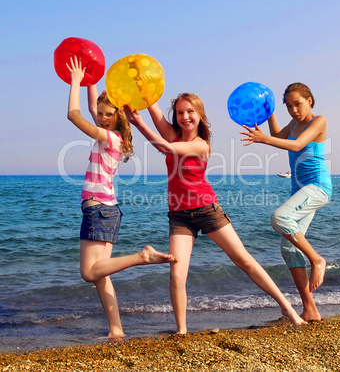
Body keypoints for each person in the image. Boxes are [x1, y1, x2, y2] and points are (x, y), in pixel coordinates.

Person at [124, 93, 306, 334]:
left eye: (190, 111)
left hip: (206, 209)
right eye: (180, 113)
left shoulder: (200, 144)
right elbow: (153, 107)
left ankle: (288, 308)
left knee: (244, 261)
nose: (185, 116)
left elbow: (164, 148)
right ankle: (181, 331)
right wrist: (144, 90)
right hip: (179, 215)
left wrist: (138, 123)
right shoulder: (173, 133)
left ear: (200, 115)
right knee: (177, 274)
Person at [66, 56, 178, 340]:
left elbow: (74, 115)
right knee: (100, 273)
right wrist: (92, 80)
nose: (101, 118)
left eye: (107, 114)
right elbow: (92, 108)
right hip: (108, 209)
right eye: (100, 114)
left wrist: (76, 83)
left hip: (98, 208)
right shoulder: (114, 136)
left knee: (88, 273)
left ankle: (142, 256)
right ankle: (116, 328)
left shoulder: (109, 138)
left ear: (118, 117)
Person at [240, 82, 332, 322]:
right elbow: (277, 136)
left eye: (297, 104)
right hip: (299, 190)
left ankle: (316, 259)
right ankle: (310, 308)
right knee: (289, 248)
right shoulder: (293, 124)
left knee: (279, 217)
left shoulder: (318, 121)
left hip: (318, 187)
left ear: (309, 101)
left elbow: (296, 144)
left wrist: (262, 139)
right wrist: (269, 113)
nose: (293, 110)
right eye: (289, 106)